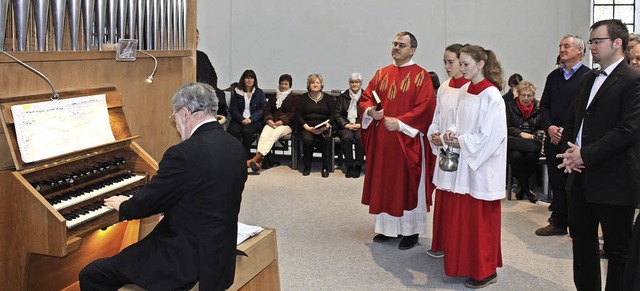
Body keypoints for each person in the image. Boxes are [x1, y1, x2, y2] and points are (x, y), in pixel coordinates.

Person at [78, 83, 247, 290]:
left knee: (91, 274)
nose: (175, 123)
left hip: (181, 257)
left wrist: (125, 205)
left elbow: (150, 202)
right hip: (219, 254)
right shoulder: (235, 147)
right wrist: (172, 209)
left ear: (185, 113)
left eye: (174, 116)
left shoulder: (183, 153)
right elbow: (210, 193)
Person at [557, 19, 640, 291]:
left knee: (617, 250)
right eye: (590, 41)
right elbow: (573, 120)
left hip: (614, 178)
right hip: (579, 176)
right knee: (582, 244)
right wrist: (570, 153)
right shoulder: (588, 78)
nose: (591, 46)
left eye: (597, 41)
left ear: (617, 43)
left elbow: (628, 130)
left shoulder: (633, 80)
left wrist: (586, 155)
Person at [359, 31, 436, 251]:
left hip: (407, 141)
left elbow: (425, 109)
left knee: (408, 184)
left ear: (413, 50)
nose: (397, 48)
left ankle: (411, 231)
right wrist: (370, 112)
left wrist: (400, 124)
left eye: (402, 45)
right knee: (386, 183)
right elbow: (366, 99)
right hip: (384, 142)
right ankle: (388, 228)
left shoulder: (422, 76)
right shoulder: (381, 74)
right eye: (394, 44)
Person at [440, 44, 507, 289]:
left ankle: (485, 271)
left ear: (481, 64)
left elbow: (492, 136)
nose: (462, 69)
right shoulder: (466, 89)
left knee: (481, 222)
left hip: (483, 167)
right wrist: (450, 133)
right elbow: (458, 122)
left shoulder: (492, 95)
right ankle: (465, 264)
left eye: (466, 64)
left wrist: (462, 142)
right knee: (466, 220)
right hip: (466, 163)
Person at [535, 34, 590, 236]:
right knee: (557, 182)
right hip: (552, 136)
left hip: (573, 139)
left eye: (567, 46)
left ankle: (577, 225)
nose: (562, 49)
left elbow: (583, 110)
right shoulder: (553, 76)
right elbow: (545, 106)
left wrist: (564, 130)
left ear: (580, 52)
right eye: (560, 46)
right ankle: (558, 222)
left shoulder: (588, 77)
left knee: (573, 184)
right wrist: (549, 127)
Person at [426, 43, 471, 259]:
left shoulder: (470, 88)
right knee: (443, 197)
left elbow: (463, 123)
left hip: (458, 151)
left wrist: (445, 138)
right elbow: (437, 117)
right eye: (444, 61)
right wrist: (434, 134)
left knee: (457, 201)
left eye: (451, 62)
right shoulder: (444, 87)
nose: (446, 66)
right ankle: (440, 243)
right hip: (443, 149)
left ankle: (454, 245)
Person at [247, 74, 296, 174]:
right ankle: (258, 164)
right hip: (272, 122)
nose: (283, 86)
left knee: (274, 135)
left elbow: (293, 114)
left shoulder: (294, 98)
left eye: (286, 84)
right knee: (264, 135)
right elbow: (267, 110)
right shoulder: (273, 97)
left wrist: (282, 121)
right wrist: (269, 119)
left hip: (286, 125)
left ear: (290, 85)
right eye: (282, 84)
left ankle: (256, 159)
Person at [506, 80, 543, 203]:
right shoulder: (510, 106)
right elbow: (506, 126)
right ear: (518, 94)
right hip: (516, 142)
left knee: (531, 157)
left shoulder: (539, 107)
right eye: (523, 95)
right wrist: (521, 134)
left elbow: (541, 127)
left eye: (529, 95)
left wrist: (537, 134)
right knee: (515, 157)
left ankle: (522, 187)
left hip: (531, 144)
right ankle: (527, 189)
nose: (526, 98)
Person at [296, 73, 335, 177]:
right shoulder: (303, 98)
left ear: (321, 85)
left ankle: (325, 167)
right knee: (308, 140)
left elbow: (332, 115)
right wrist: (307, 127)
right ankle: (307, 166)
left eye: (317, 82)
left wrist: (327, 125)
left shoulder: (327, 98)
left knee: (327, 139)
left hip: (323, 127)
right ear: (309, 85)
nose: (315, 84)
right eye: (312, 83)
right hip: (308, 127)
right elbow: (298, 116)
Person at [228, 69, 267, 158]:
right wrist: (241, 119)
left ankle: (246, 156)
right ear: (243, 79)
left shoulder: (259, 93)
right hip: (240, 120)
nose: (249, 80)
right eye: (247, 78)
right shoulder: (237, 92)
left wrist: (251, 118)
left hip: (254, 121)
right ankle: (234, 155)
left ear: (254, 80)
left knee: (248, 131)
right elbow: (233, 109)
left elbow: (262, 109)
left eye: (251, 78)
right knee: (233, 130)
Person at [334, 73, 365, 178]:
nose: (354, 84)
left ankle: (358, 165)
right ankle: (349, 166)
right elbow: (337, 114)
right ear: (349, 83)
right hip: (346, 125)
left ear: (360, 83)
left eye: (357, 82)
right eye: (352, 82)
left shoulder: (366, 96)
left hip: (360, 125)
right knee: (347, 138)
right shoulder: (343, 96)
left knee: (360, 138)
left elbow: (368, 113)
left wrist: (360, 125)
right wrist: (345, 124)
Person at [196, 29, 227, 118]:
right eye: (193, 38)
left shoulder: (203, 56)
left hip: (207, 90)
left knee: (220, 95)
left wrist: (211, 88)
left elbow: (213, 75)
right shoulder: (186, 60)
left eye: (197, 38)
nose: (196, 41)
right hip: (195, 93)